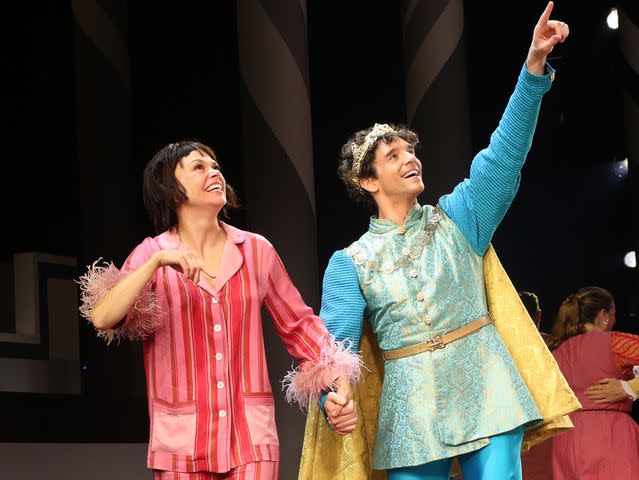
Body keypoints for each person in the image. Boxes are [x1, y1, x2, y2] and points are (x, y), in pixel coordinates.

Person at [301, 3, 576, 479]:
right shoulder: (350, 262)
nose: (411, 158)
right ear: (368, 182)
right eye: (393, 155)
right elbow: (335, 350)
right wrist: (334, 394)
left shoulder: (461, 217)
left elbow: (505, 153)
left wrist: (533, 70)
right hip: (410, 408)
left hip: (488, 387)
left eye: (412, 151)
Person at [77, 140, 361, 479]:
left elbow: (300, 326)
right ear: (171, 188)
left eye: (215, 166)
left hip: (251, 440)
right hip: (181, 442)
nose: (214, 172)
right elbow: (103, 316)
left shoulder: (256, 251)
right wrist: (156, 262)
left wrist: (339, 381)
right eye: (198, 167)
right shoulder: (152, 254)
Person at [548, 286, 639, 479]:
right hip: (610, 435)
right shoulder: (615, 343)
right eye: (614, 315)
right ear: (604, 315)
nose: (614, 320)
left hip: (566, 439)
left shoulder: (554, 353)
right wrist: (629, 387)